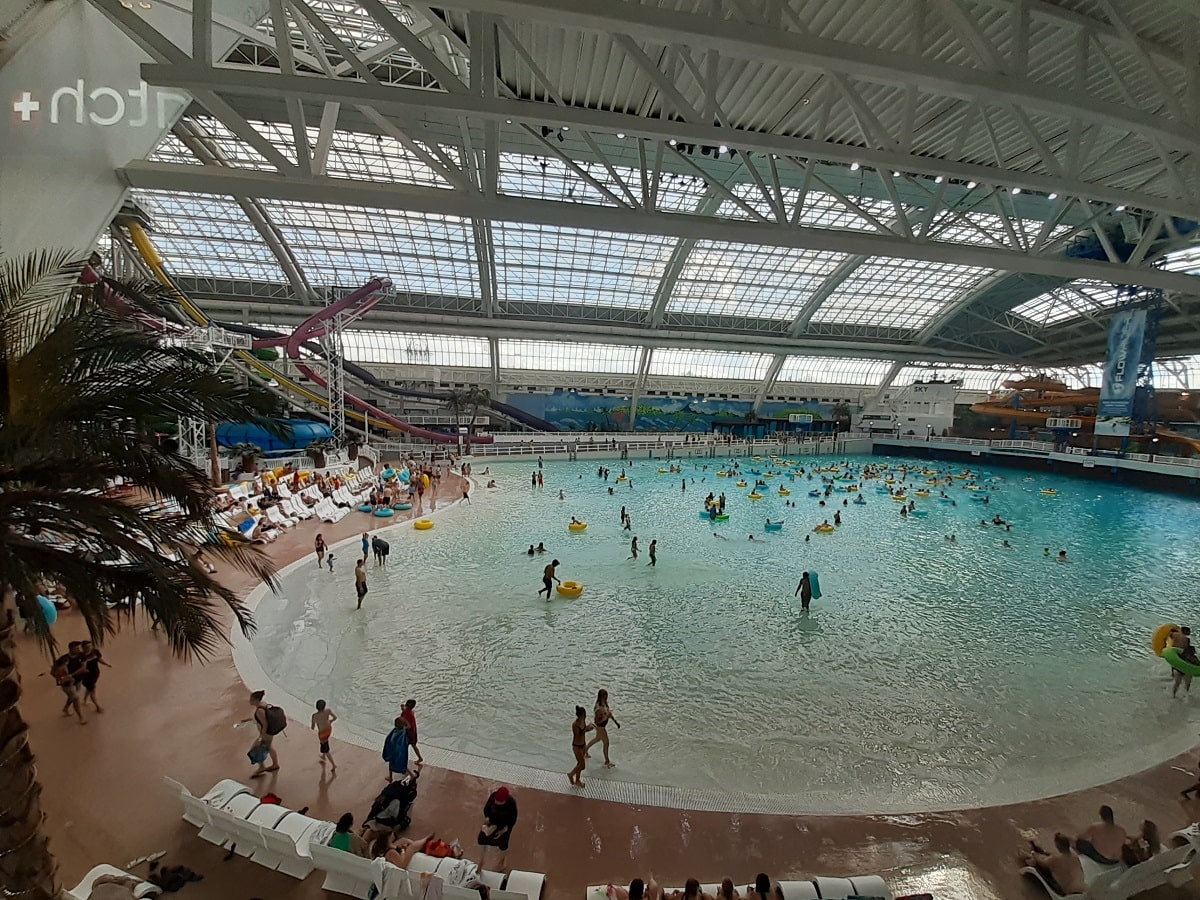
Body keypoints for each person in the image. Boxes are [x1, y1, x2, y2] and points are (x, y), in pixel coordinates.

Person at [1020, 833, 1085, 896]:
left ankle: (1024, 856)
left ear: (1057, 845)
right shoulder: (1074, 855)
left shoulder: (1056, 859)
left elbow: (1041, 862)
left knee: (1035, 862)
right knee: (1048, 860)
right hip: (1079, 887)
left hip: (1064, 890)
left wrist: (1033, 854)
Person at [478, 785, 518, 867]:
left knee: (503, 845)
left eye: (499, 802)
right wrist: (487, 818)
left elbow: (513, 819)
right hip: (492, 821)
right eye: (496, 800)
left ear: (505, 801)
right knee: (481, 839)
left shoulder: (511, 803)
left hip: (504, 825)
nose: (496, 803)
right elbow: (486, 809)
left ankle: (502, 861)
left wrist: (505, 829)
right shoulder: (493, 796)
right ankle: (482, 860)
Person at [248, 689, 281, 777]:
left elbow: (265, 724)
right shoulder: (263, 704)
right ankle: (274, 764)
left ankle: (261, 767)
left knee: (255, 749)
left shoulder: (259, 711)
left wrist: (261, 737)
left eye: (251, 699)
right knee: (269, 747)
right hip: (269, 733)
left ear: (256, 700)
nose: (249, 701)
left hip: (265, 734)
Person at [51, 642, 86, 724]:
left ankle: (65, 708)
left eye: (79, 648)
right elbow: (52, 672)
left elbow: (83, 667)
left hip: (78, 681)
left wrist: (71, 675)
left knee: (72, 697)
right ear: (71, 649)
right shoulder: (63, 659)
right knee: (76, 698)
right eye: (76, 648)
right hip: (67, 684)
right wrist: (60, 679)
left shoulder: (81, 655)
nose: (79, 650)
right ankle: (81, 717)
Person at [585, 689, 620, 768]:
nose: (606, 698)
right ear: (601, 697)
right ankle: (607, 761)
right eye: (605, 696)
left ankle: (585, 750)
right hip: (600, 726)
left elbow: (609, 714)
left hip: (603, 725)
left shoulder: (605, 704)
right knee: (606, 742)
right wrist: (606, 717)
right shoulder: (598, 708)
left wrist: (615, 722)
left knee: (597, 739)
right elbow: (597, 721)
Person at [79, 640, 110, 713]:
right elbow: (78, 666)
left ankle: (84, 700)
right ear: (83, 648)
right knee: (92, 691)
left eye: (90, 646)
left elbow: (99, 659)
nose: (89, 648)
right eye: (87, 647)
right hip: (86, 676)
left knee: (89, 688)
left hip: (95, 673)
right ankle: (98, 707)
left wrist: (106, 664)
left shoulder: (95, 651)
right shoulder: (81, 656)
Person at [568, 705, 594, 787]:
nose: (585, 716)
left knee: (579, 764)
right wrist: (587, 728)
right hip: (577, 746)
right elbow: (578, 735)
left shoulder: (583, 721)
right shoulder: (575, 724)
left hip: (583, 744)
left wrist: (589, 728)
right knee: (582, 766)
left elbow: (584, 730)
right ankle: (571, 774)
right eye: (584, 715)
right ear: (580, 716)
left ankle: (577, 780)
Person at [383, 716, 411, 782]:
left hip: (394, 753)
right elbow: (409, 726)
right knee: (402, 765)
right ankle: (390, 777)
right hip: (400, 752)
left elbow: (392, 741)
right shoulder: (403, 730)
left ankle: (390, 777)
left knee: (393, 765)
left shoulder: (396, 733)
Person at [312, 699, 337, 771]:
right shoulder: (328, 711)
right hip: (329, 729)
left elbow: (312, 727)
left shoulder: (314, 716)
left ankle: (333, 765)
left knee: (326, 749)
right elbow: (335, 718)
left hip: (322, 733)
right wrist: (330, 721)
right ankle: (323, 756)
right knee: (324, 743)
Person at [401, 698, 423, 763]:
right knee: (413, 745)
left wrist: (402, 728)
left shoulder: (407, 713)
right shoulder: (411, 712)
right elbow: (405, 711)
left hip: (408, 734)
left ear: (406, 705)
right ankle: (420, 758)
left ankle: (403, 760)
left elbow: (409, 726)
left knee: (404, 747)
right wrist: (403, 708)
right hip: (413, 732)